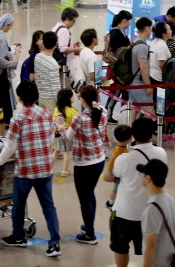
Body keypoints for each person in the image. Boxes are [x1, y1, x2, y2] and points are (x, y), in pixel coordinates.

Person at [0, 80, 62, 258]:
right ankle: (54, 243)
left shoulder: (18, 119)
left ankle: (19, 236)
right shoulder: (46, 114)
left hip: (25, 170)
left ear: (20, 98)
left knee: (19, 204)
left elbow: (10, 147)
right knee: (48, 206)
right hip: (45, 168)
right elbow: (52, 140)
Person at [103, 117, 167, 267]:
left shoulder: (123, 159)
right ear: (152, 135)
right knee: (151, 248)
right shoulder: (161, 153)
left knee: (120, 246)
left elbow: (109, 177)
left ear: (133, 136)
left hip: (124, 212)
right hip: (151, 212)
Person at [67, 85, 108, 244]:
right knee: (90, 193)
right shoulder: (102, 112)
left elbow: (68, 136)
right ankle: (89, 224)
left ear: (84, 100)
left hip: (84, 163)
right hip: (99, 159)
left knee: (84, 198)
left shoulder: (79, 119)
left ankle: (89, 235)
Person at [139, 159, 175, 267]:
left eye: (142, 174)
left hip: (159, 263)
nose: (141, 176)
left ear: (148, 179)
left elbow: (150, 245)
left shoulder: (153, 208)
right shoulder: (169, 199)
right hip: (170, 258)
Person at [105, 10, 133, 123]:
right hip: (119, 68)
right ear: (124, 20)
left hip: (120, 67)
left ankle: (121, 113)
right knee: (116, 91)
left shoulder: (118, 32)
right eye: (129, 20)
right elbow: (120, 51)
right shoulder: (117, 34)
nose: (130, 23)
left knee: (121, 91)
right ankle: (108, 114)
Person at [126, 17, 154, 124]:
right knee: (150, 112)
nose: (151, 30)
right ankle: (145, 138)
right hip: (139, 84)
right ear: (146, 28)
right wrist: (148, 86)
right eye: (150, 28)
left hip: (132, 83)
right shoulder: (142, 46)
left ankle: (129, 137)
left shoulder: (134, 42)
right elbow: (143, 67)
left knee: (133, 112)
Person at [105, 125, 132, 210]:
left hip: (118, 170)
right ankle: (110, 203)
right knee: (116, 188)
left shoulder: (118, 147)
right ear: (129, 139)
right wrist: (110, 170)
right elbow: (112, 160)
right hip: (118, 173)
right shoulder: (122, 150)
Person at [51, 88, 76, 176]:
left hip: (57, 134)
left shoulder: (56, 109)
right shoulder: (72, 111)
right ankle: (65, 170)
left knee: (56, 151)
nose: (74, 97)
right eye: (72, 96)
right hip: (67, 136)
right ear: (68, 98)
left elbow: (54, 120)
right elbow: (75, 125)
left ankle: (48, 168)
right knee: (67, 152)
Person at [35, 31, 61, 114]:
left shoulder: (38, 57)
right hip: (51, 100)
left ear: (43, 42)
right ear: (56, 44)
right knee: (53, 124)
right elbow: (55, 86)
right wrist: (59, 101)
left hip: (41, 96)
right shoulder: (53, 64)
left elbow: (37, 77)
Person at [52, 8, 81, 82]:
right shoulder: (64, 31)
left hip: (56, 63)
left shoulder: (55, 28)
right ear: (68, 19)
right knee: (65, 89)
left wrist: (72, 46)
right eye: (73, 21)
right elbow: (63, 49)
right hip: (63, 67)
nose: (74, 24)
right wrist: (76, 49)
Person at [149, 22, 172, 100]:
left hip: (152, 74)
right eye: (169, 29)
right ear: (164, 34)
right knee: (159, 102)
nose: (171, 31)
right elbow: (161, 64)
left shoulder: (154, 41)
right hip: (159, 78)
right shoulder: (162, 45)